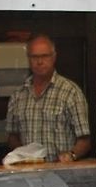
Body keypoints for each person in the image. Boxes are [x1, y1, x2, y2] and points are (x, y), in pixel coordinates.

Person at [5, 33, 91, 162]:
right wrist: (22, 155)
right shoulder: (18, 95)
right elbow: (12, 136)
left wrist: (71, 155)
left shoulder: (71, 92)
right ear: (28, 59)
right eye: (34, 57)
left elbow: (85, 139)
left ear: (54, 57)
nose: (40, 62)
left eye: (44, 56)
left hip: (61, 170)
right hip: (29, 170)